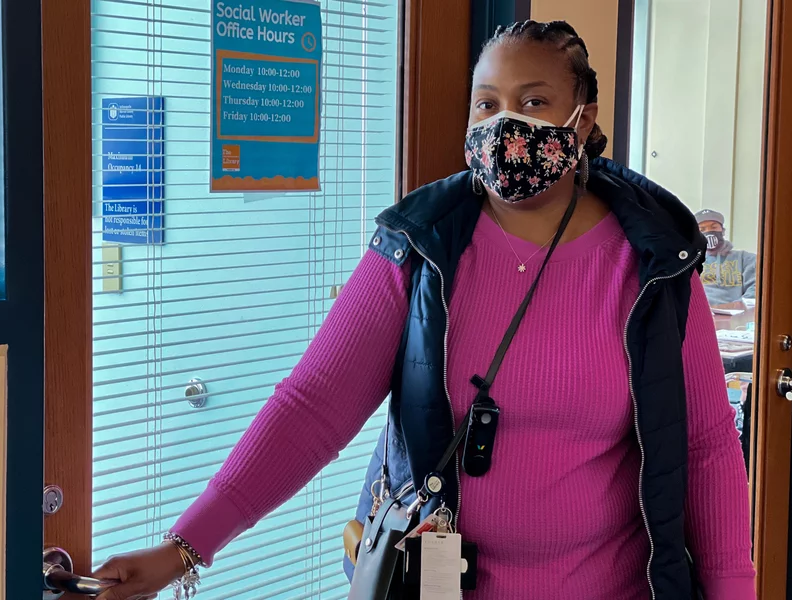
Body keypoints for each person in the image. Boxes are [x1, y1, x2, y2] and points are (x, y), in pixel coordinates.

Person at [95, 20, 755, 600]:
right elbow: (311, 406)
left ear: (581, 118)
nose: (505, 125)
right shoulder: (416, 247)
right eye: (486, 104)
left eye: (533, 102)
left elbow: (705, 449)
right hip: (427, 586)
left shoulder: (655, 263)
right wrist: (186, 546)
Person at [695, 208, 757, 305]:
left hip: (735, 315)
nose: (709, 232)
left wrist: (738, 307)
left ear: (723, 231)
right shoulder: (689, 262)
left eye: (714, 227)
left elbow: (757, 287)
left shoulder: (745, 259)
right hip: (701, 314)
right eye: (702, 229)